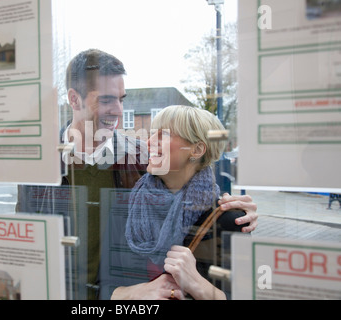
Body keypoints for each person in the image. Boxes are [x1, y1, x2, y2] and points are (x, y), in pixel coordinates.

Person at [16, 49, 258, 299]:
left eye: (122, 99)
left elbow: (195, 192)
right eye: (107, 100)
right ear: (74, 99)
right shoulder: (38, 165)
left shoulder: (145, 160)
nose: (119, 111)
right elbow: (26, 247)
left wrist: (238, 214)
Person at [112, 105, 244, 300]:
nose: (148, 142)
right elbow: (103, 286)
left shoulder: (229, 219)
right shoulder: (129, 208)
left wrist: (199, 286)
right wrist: (132, 293)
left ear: (197, 149)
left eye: (163, 135)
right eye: (151, 134)